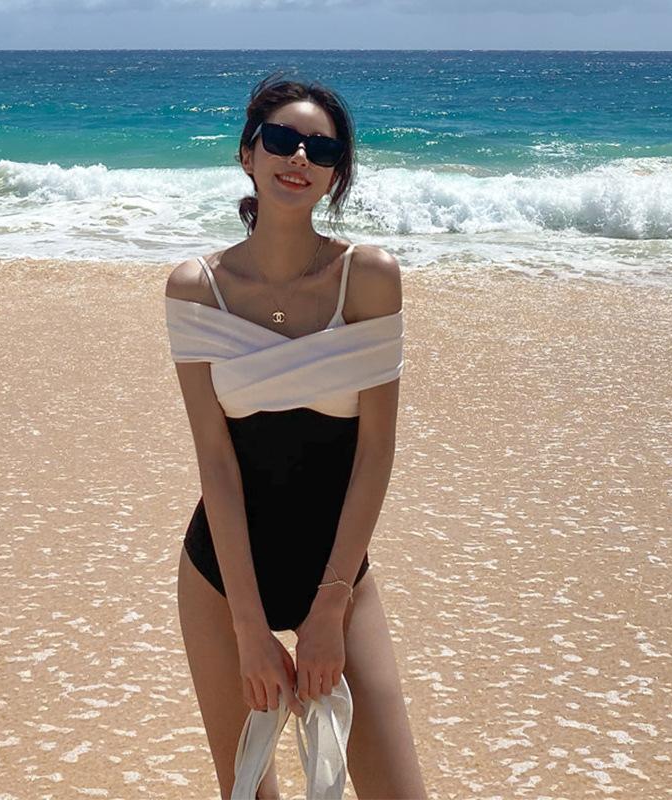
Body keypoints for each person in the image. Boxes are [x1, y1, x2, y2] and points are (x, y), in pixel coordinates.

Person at [165, 70, 428, 800]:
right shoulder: (195, 288)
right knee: (250, 793)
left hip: (337, 575)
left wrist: (332, 603)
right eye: (282, 139)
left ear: (337, 173)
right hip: (221, 579)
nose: (300, 157)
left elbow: (376, 451)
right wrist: (249, 630)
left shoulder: (367, 277)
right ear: (248, 153)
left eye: (323, 148)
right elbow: (215, 462)